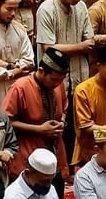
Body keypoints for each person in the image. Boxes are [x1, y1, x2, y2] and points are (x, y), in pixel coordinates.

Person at [4, 47, 70, 181]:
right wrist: (39, 129)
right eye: (54, 79)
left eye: (60, 80)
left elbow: (64, 109)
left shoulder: (59, 85)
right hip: (28, 155)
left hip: (56, 154)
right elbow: (6, 122)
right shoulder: (20, 87)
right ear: (41, 71)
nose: (57, 84)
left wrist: (62, 122)